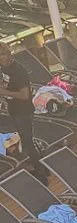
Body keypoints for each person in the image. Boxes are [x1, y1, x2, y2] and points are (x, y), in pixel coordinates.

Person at [0, 42, 48, 184]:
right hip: (13, 110)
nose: (2, 58)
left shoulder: (18, 71)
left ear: (9, 54)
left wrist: (4, 92)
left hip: (23, 111)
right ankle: (42, 168)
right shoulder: (4, 68)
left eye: (3, 54)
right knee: (26, 140)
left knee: (28, 142)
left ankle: (41, 174)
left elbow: (25, 95)